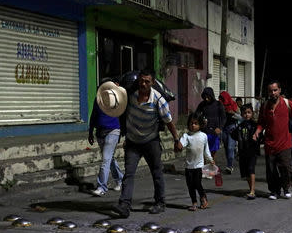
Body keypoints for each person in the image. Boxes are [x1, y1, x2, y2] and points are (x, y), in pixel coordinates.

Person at [111, 69, 180, 218]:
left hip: (151, 142)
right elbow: (115, 101)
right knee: (128, 174)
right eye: (141, 80)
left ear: (152, 83)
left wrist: (176, 140)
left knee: (156, 173)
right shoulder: (130, 95)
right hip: (132, 142)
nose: (143, 83)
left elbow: (169, 122)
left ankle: (160, 203)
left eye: (147, 81)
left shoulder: (158, 100)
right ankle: (124, 205)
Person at [252, 80, 292, 200]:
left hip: (285, 143)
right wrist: (257, 132)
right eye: (270, 91)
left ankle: (286, 188)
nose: (273, 93)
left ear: (280, 90)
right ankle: (274, 191)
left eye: (275, 90)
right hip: (270, 144)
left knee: (286, 168)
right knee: (271, 170)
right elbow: (261, 123)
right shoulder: (265, 105)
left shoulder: (288, 104)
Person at [88, 79, 125, 196]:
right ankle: (120, 179)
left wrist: (123, 133)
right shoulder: (98, 99)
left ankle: (102, 187)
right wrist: (90, 132)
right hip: (100, 132)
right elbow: (93, 115)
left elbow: (123, 115)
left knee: (105, 159)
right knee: (109, 158)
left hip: (113, 130)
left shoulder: (118, 98)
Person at [177, 112, 214, 211]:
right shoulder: (186, 136)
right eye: (191, 123)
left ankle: (203, 197)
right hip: (189, 166)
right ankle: (194, 203)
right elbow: (181, 145)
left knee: (197, 183)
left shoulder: (203, 136)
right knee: (190, 186)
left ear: (200, 124)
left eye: (196, 123)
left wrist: (210, 160)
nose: (193, 125)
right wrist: (178, 144)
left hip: (199, 166)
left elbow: (206, 150)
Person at [231, 103, 259, 199]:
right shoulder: (240, 126)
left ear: (252, 113)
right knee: (246, 172)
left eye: (249, 112)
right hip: (243, 151)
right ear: (242, 114)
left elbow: (260, 137)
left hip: (252, 151)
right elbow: (233, 135)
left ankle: (252, 191)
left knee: (251, 169)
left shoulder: (255, 125)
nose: (247, 115)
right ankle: (251, 188)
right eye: (245, 113)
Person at [196, 87, 226, 161]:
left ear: (211, 95)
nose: (206, 99)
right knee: (203, 151)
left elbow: (223, 118)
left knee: (212, 152)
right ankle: (203, 168)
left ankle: (211, 166)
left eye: (208, 96)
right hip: (203, 132)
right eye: (205, 97)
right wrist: (201, 121)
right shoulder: (201, 105)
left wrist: (220, 128)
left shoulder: (218, 104)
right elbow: (196, 115)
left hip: (214, 132)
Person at [219, 91, 240, 174]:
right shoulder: (219, 106)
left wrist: (233, 113)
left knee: (230, 147)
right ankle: (229, 162)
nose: (221, 100)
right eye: (220, 98)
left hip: (232, 128)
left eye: (222, 98)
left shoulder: (233, 104)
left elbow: (240, 117)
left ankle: (230, 166)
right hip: (223, 129)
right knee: (227, 147)